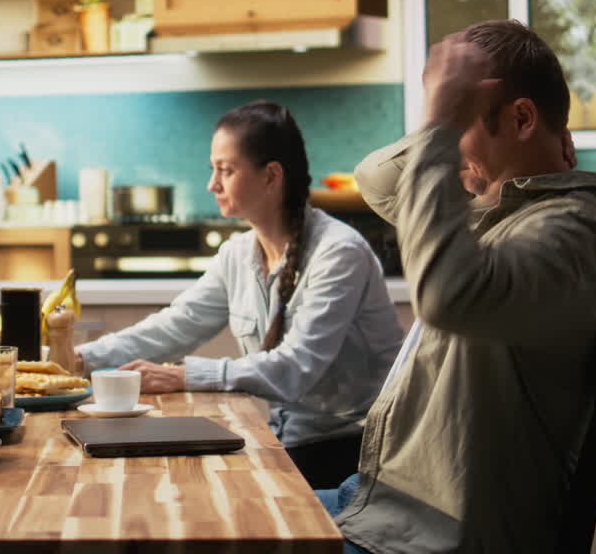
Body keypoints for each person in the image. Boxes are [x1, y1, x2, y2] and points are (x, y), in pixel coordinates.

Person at [325, 20, 596, 554]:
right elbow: (374, 177)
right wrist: (446, 120)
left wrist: (444, 127)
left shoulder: (573, 233)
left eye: (460, 117)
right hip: (383, 505)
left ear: (522, 119)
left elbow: (449, 297)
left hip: (440, 536)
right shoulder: (490, 213)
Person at [69, 100, 405, 489]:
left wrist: (182, 375)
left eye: (225, 170)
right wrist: (80, 359)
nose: (212, 184)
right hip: (290, 438)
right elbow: (178, 325)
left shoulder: (339, 253)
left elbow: (294, 368)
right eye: (213, 170)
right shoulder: (239, 253)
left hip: (354, 453)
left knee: (202, 491)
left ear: (271, 175)